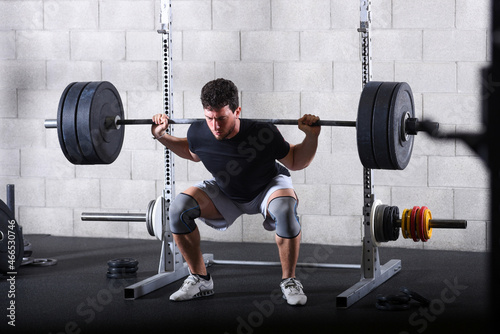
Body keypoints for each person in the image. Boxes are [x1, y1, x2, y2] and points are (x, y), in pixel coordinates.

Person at [151, 78, 320, 306]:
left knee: (286, 211)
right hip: (226, 190)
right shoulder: (199, 132)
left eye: (222, 118)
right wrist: (161, 135)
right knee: (178, 209)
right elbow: (192, 152)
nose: (215, 126)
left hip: (266, 187)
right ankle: (201, 279)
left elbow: (296, 160)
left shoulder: (263, 132)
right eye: (209, 118)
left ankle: (289, 281)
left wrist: (311, 136)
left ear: (237, 111)